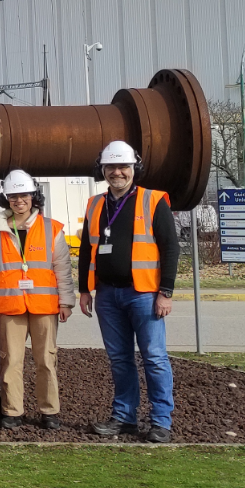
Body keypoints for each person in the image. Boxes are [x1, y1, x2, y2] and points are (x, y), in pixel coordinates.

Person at [78, 140, 179, 444]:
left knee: (155, 358)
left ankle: (161, 422)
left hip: (144, 294)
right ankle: (124, 418)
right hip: (108, 295)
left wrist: (166, 291)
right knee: (119, 359)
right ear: (103, 170)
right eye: (111, 167)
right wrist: (85, 290)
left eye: (123, 167)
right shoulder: (96, 204)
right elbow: (86, 249)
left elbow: (170, 247)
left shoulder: (154, 200)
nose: (117, 172)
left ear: (135, 168)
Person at [0, 169, 76, 431]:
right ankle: (12, 411)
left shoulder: (51, 229)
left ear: (33, 196)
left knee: (46, 359)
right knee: (11, 359)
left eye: (24, 195)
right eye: (13, 196)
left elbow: (62, 269)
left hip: (44, 306)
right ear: (6, 198)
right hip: (9, 306)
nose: (19, 200)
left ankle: (49, 411)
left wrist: (66, 301)